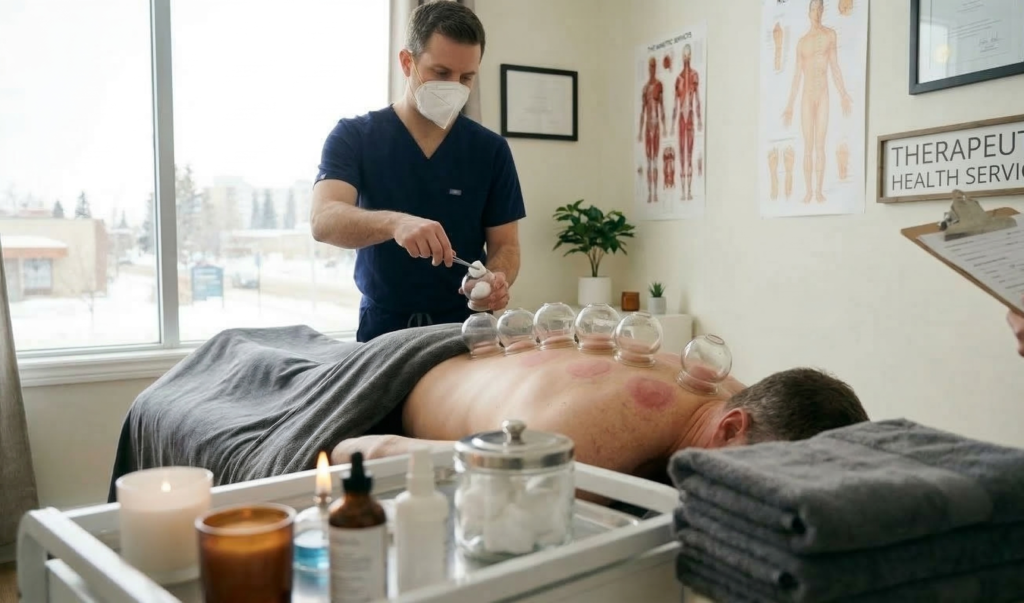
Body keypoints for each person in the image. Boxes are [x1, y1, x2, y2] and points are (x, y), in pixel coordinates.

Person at [331, 345, 870, 483]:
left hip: (498, 355)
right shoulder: (587, 447)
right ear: (732, 427)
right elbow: (366, 451)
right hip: (410, 367)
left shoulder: (742, 396)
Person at [310, 1, 526, 342]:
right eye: (441, 73)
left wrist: (495, 279)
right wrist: (396, 223)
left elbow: (507, 245)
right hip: (382, 333)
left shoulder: (490, 150)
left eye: (466, 77)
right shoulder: (355, 137)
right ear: (407, 62)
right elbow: (324, 221)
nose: (455, 86)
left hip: (465, 331)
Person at [782, 0, 852, 204]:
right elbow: (796, 76)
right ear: (808, 12)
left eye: (820, 8)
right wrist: (789, 105)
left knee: (820, 145)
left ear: (823, 11)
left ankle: (819, 191)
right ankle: (808, 191)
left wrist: (844, 94)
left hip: (823, 95)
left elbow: (835, 67)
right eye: (814, 8)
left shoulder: (830, 35)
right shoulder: (802, 42)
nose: (817, 12)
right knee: (808, 146)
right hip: (806, 97)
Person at [672, 44, 702, 201]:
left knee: (688, 155)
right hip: (681, 121)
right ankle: (683, 192)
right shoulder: (678, 79)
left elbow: (697, 100)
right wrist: (670, 126)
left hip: (689, 118)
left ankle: (688, 191)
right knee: (681, 155)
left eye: (688, 55)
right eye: (684, 55)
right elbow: (675, 105)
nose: (686, 58)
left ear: (690, 56)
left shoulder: (695, 76)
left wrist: (700, 119)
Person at [638, 56, 666, 204]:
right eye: (650, 66)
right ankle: (650, 193)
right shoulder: (644, 89)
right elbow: (642, 111)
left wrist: (666, 127)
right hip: (648, 125)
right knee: (649, 161)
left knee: (655, 161)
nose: (652, 69)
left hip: (656, 126)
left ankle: (655, 193)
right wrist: (639, 131)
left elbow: (662, 107)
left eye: (654, 66)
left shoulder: (659, 86)